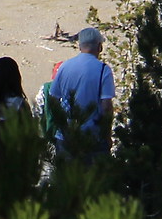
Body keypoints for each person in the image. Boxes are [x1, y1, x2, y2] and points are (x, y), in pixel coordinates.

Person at [46, 26, 117, 159]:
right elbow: (106, 106)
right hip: (93, 136)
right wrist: (107, 135)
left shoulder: (64, 67)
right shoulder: (103, 70)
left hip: (66, 134)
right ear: (99, 47)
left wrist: (60, 126)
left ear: (80, 46)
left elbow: (53, 99)